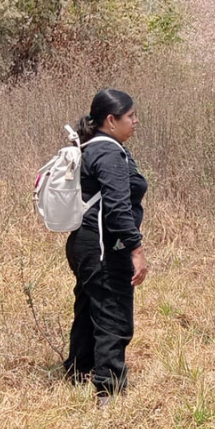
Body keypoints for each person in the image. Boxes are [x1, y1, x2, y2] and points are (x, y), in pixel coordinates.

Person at [65, 88, 149, 407]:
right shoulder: (110, 153)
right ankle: (108, 391)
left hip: (81, 242)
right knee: (113, 312)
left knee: (90, 306)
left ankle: (79, 371)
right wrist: (135, 249)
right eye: (130, 116)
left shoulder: (87, 147)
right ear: (111, 121)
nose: (136, 121)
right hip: (103, 245)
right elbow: (117, 208)